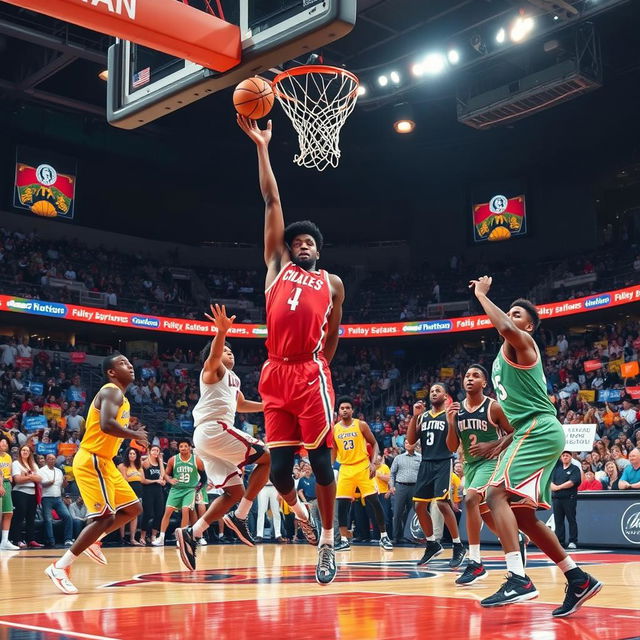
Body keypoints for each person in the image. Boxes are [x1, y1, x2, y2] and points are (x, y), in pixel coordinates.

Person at [238, 115, 345, 585]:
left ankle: (327, 541)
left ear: (318, 251)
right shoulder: (276, 268)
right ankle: (300, 512)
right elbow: (271, 199)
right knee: (279, 471)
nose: (301, 245)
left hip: (310, 372)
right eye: (296, 241)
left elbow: (334, 333)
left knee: (320, 461)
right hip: (274, 374)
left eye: (309, 242)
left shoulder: (332, 283)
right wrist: (263, 147)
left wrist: (321, 368)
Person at [470, 276, 602, 616]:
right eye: (510, 313)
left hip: (540, 430)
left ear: (528, 325)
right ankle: (578, 578)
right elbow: (524, 411)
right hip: (531, 430)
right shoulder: (501, 359)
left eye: (517, 314)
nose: (510, 317)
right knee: (523, 516)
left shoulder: (523, 343)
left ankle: (518, 578)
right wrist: (502, 444)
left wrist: (482, 296)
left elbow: (502, 326)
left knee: (494, 494)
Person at [174, 304, 270, 570]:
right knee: (267, 458)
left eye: (231, 350)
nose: (230, 353)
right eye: (226, 350)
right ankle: (240, 518)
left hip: (208, 440)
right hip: (213, 429)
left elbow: (240, 405)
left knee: (233, 491)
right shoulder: (212, 370)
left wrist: (268, 406)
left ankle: (192, 532)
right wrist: (221, 333)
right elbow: (215, 355)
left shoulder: (234, 379)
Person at [44, 353, 149, 594]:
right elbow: (106, 424)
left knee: (133, 509)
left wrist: (131, 433)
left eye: (130, 362)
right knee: (105, 518)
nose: (130, 365)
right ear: (112, 372)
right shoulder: (111, 390)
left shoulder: (121, 397)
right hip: (92, 459)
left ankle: (94, 541)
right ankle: (60, 567)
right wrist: (134, 435)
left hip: (106, 462)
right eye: (123, 363)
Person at [445, 364, 515, 585]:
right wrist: (450, 423)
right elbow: (451, 446)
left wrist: (492, 444)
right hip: (471, 466)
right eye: (466, 375)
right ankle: (515, 539)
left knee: (471, 498)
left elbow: (515, 433)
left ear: (484, 383)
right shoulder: (457, 410)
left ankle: (475, 562)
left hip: (492, 461)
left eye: (475, 376)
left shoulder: (493, 407)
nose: (469, 379)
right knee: (485, 513)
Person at [407, 385, 466, 568]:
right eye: (432, 391)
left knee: (442, 502)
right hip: (426, 462)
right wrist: (415, 416)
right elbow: (410, 440)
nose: (433, 393)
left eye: (437, 390)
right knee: (418, 505)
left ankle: (458, 545)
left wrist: (450, 421)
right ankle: (432, 543)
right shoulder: (423, 416)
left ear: (445, 396)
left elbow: (453, 444)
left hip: (443, 462)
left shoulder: (450, 414)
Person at [332, 397, 392, 551]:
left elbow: (374, 443)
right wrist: (330, 468)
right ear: (338, 411)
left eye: (347, 407)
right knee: (342, 505)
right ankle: (344, 539)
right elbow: (333, 451)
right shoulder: (335, 429)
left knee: (374, 501)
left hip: (362, 466)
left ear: (352, 410)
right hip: (345, 468)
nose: (344, 410)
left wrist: (373, 463)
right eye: (342, 408)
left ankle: (384, 536)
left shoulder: (361, 425)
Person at [152, 439, 204, 547]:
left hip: (189, 489)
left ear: (190, 447)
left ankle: (182, 539)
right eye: (181, 446)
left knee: (186, 510)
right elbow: (165, 474)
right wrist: (170, 480)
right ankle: (161, 538)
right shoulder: (173, 460)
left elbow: (204, 477)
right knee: (168, 511)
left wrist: (198, 488)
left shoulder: (197, 460)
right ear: (178, 448)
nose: (183, 448)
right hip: (176, 490)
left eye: (185, 446)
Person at [10, 444, 43, 549]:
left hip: (32, 494)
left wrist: (27, 476)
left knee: (31, 518)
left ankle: (31, 540)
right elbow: (17, 480)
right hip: (20, 493)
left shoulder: (33, 464)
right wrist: (32, 477)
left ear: (30, 453)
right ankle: (17, 540)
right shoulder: (16, 463)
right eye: (23, 450)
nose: (25, 452)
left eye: (27, 450)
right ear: (20, 452)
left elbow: (39, 479)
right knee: (19, 517)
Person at [389, 442, 421, 543]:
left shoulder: (420, 457)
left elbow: (423, 473)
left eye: (410, 443)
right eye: (406, 443)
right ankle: (396, 537)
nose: (408, 444)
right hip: (400, 486)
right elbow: (392, 473)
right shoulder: (398, 458)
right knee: (397, 512)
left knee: (412, 512)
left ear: (415, 445)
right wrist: (392, 486)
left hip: (414, 487)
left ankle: (410, 536)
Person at [39, 453, 73, 547]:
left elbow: (62, 486)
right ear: (46, 460)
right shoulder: (41, 471)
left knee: (67, 516)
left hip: (58, 498)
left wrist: (65, 483)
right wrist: (49, 483)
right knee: (48, 520)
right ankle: (51, 541)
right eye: (50, 459)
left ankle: (68, 539)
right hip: (46, 498)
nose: (52, 460)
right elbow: (41, 485)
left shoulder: (59, 471)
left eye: (53, 459)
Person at [551, 452, 581, 550]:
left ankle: (573, 541)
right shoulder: (557, 469)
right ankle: (560, 541)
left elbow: (572, 482)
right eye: (563, 456)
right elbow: (550, 482)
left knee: (571, 520)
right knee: (558, 521)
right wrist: (554, 487)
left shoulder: (574, 469)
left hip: (569, 498)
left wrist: (558, 487)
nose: (565, 457)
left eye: (567, 456)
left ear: (571, 457)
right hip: (557, 499)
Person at [117, 447, 144, 545]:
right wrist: (133, 474)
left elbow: (142, 479)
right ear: (127, 455)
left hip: (138, 491)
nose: (132, 455)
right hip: (127, 491)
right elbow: (125, 479)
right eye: (130, 454)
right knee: (124, 515)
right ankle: (122, 538)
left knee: (135, 515)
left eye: (134, 454)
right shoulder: (123, 466)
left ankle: (132, 539)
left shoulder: (139, 466)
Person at [141, 445, 165, 545]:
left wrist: (160, 461)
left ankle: (153, 536)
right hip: (148, 491)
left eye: (157, 450)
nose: (155, 452)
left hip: (158, 491)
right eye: (153, 450)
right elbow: (143, 480)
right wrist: (156, 481)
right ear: (149, 451)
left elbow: (162, 475)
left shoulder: (160, 463)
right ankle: (142, 536)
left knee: (159, 513)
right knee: (148, 514)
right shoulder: (144, 463)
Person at [0, 436, 19, 550]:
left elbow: (8, 471)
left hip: (7, 483)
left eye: (6, 444)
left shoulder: (8, 457)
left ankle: (4, 541)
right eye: (2, 443)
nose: (5, 445)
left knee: (8, 513)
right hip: (1, 483)